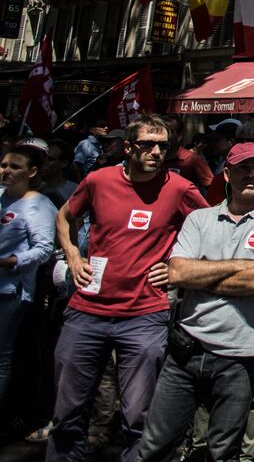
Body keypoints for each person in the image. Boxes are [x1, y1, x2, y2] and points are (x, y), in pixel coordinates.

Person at [49, 113, 207, 462]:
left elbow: (210, 227)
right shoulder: (99, 180)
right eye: (148, 144)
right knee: (68, 412)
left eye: (163, 146)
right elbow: (64, 217)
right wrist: (73, 255)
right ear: (128, 147)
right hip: (86, 311)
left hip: (144, 315)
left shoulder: (180, 188)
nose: (156, 152)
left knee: (140, 417)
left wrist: (178, 267)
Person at [134, 141, 254, 461]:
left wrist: (203, 273)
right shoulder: (200, 219)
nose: (250, 174)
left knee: (222, 450)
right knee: (156, 444)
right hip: (187, 346)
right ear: (227, 174)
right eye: (241, 168)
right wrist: (239, 264)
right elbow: (178, 271)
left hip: (243, 352)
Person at [0, 139, 57, 401]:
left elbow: (44, 249)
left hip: (11, 290)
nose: (6, 171)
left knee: (2, 353)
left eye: (14, 166)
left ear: (31, 172)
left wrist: (10, 261)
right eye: (3, 165)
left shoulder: (40, 205)